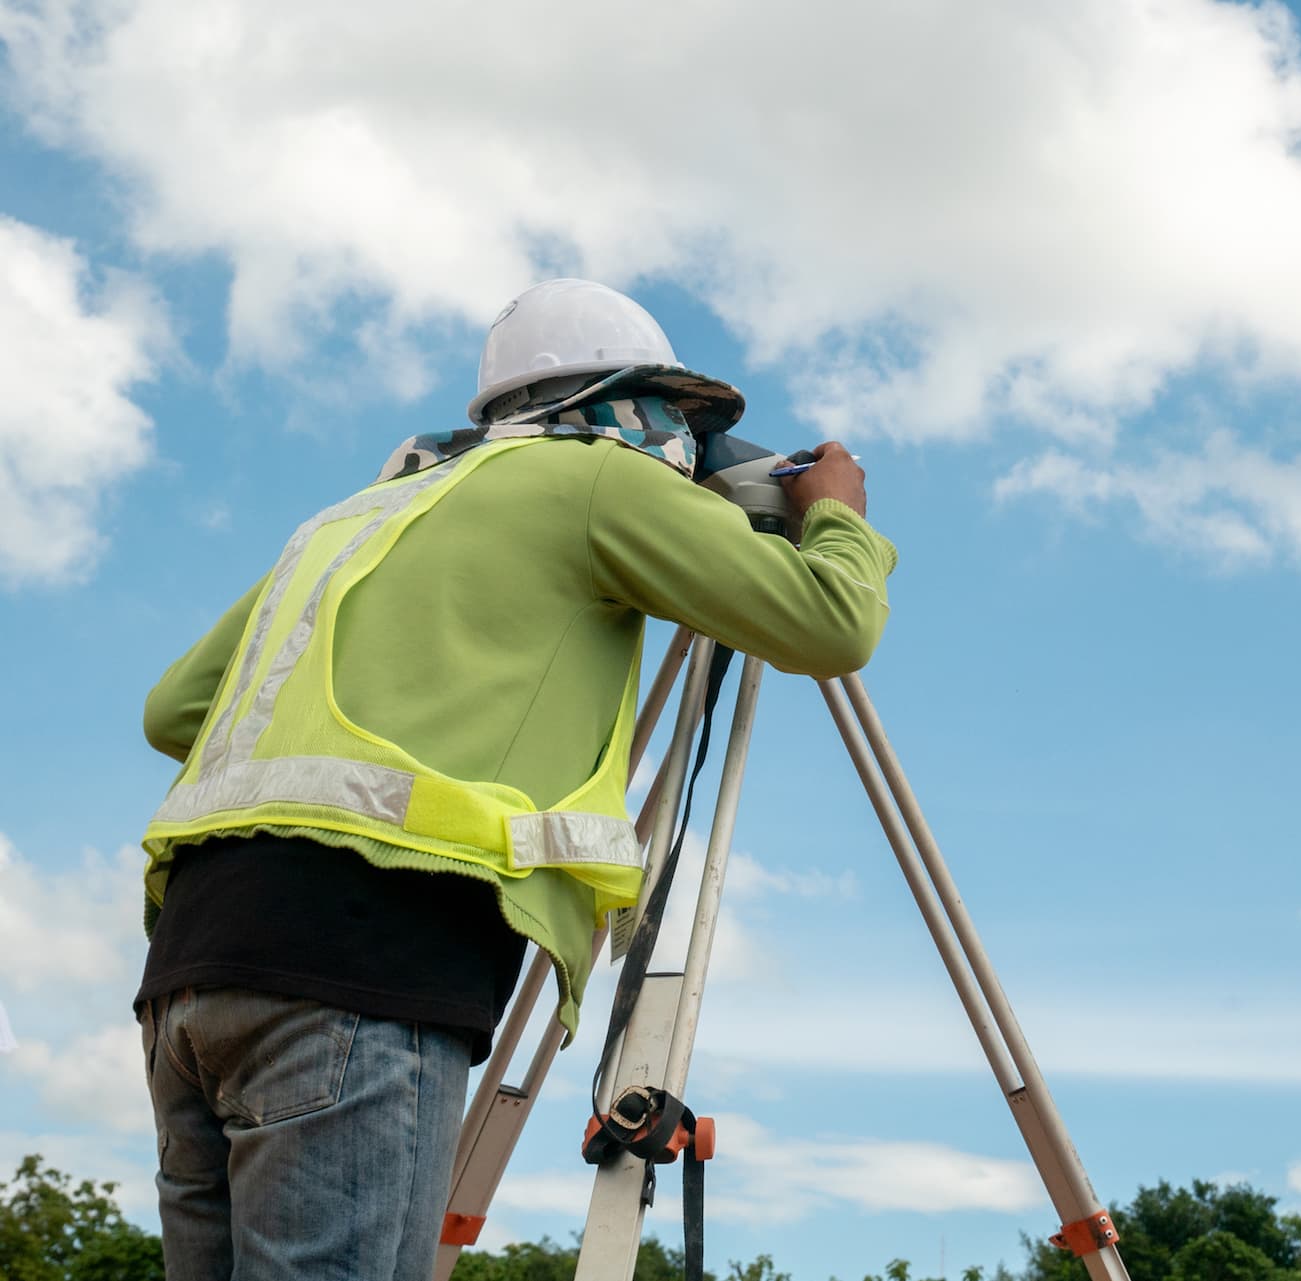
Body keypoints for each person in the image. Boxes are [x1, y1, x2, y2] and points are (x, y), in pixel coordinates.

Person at [133, 278, 897, 1280]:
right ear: (617, 404)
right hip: (363, 968)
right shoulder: (595, 482)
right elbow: (830, 626)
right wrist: (835, 516)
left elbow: (174, 712)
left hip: (192, 978)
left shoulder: (356, 517)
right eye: (680, 420)